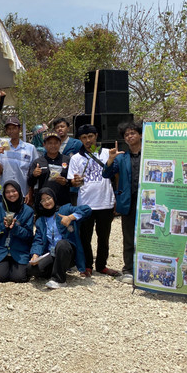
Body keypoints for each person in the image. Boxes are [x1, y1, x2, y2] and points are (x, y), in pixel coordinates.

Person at [67, 124, 118, 277]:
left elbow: (115, 176)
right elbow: (72, 182)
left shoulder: (106, 154)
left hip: (105, 201)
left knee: (104, 236)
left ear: (96, 136)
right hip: (86, 203)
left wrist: (116, 198)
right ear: (80, 139)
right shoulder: (76, 158)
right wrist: (75, 181)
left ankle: (101, 265)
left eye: (90, 136)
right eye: (84, 137)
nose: (88, 140)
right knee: (85, 236)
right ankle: (87, 265)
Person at [102, 121, 143, 284]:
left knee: (149, 235)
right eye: (126, 135)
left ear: (140, 134)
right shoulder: (122, 157)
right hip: (128, 202)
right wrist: (111, 160)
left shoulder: (150, 154)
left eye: (133, 133)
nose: (130, 136)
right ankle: (128, 269)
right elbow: (106, 174)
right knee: (128, 236)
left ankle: (146, 268)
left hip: (149, 202)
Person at [29, 189, 90, 289]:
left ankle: (59, 280)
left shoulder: (64, 209)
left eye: (49, 198)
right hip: (51, 253)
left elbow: (87, 209)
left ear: (54, 198)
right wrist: (35, 255)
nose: (47, 202)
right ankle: (57, 269)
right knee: (32, 269)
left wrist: (70, 217)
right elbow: (38, 240)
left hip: (67, 252)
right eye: (43, 200)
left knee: (62, 244)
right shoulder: (41, 220)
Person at [0, 181, 35, 283]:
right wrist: (3, 226)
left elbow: (28, 235)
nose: (11, 194)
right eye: (7, 192)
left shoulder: (28, 211)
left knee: (19, 278)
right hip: (1, 249)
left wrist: (15, 228)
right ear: (4, 194)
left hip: (19, 251)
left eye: (13, 191)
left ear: (19, 191)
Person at [0, 116, 38, 204]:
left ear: (19, 129)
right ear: (6, 131)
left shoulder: (30, 148)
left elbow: (33, 173)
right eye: (9, 129)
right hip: (5, 193)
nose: (11, 131)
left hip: (23, 193)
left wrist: (30, 191)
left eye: (14, 128)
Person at [27, 132, 71, 207]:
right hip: (44, 204)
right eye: (50, 143)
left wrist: (66, 182)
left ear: (60, 144)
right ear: (44, 144)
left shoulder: (67, 160)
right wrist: (34, 175)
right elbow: (30, 182)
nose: (53, 146)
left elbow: (73, 181)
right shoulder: (38, 162)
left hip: (63, 202)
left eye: (56, 143)